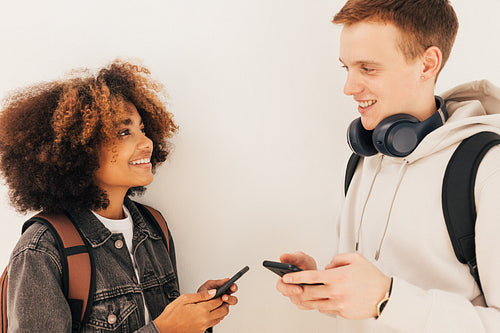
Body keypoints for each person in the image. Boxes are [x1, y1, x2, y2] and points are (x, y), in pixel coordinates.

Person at [276, 0, 500, 332]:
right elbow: (373, 306)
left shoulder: (487, 168)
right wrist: (330, 291)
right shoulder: (367, 156)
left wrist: (387, 298)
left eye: (368, 68)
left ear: (427, 64)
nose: (349, 87)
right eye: (346, 68)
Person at [0, 60, 238, 332]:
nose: (146, 142)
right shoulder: (42, 249)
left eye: (142, 129)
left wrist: (194, 317)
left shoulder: (153, 227)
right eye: (124, 132)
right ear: (81, 149)